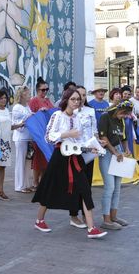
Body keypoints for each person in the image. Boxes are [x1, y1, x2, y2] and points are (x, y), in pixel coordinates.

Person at [31, 88, 106, 239]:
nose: (77, 102)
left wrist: (92, 148)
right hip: (60, 156)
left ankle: (91, 228)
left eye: (78, 99)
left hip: (76, 157)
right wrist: (67, 134)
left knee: (85, 189)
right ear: (66, 99)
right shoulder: (57, 115)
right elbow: (49, 137)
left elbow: (78, 142)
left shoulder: (78, 118)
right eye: (73, 99)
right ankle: (39, 220)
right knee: (50, 187)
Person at [97, 100, 133, 230]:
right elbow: (104, 138)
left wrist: (126, 149)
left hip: (118, 153)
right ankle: (106, 219)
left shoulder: (121, 121)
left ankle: (114, 216)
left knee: (117, 187)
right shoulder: (105, 117)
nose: (125, 117)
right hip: (107, 153)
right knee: (110, 186)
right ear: (119, 110)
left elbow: (123, 138)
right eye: (124, 114)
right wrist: (115, 152)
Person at [68, 86, 98, 228]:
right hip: (75, 152)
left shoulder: (90, 110)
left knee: (87, 184)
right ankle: (73, 215)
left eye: (84, 95)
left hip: (89, 151)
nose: (81, 98)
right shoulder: (70, 112)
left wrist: (98, 144)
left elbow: (94, 130)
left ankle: (86, 215)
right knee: (75, 184)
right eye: (79, 95)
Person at [28, 77, 54, 188]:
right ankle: (35, 181)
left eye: (46, 89)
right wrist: (39, 111)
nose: (45, 92)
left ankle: (43, 181)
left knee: (46, 158)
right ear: (37, 90)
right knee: (38, 158)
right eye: (42, 90)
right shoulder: (34, 101)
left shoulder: (48, 101)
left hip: (47, 133)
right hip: (38, 133)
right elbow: (30, 115)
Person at [10, 86, 34, 193]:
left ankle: (27, 184)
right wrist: (28, 118)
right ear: (22, 95)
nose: (29, 95)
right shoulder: (17, 107)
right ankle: (19, 185)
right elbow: (15, 123)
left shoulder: (27, 107)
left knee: (28, 162)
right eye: (28, 94)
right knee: (20, 161)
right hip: (20, 138)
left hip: (28, 137)